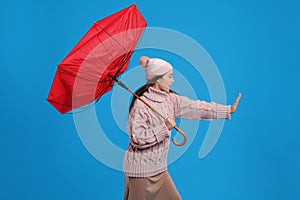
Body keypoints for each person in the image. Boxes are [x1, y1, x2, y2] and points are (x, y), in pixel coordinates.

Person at [123, 56, 242, 200]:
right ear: (158, 79)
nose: (172, 80)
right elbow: (137, 138)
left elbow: (196, 107)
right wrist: (163, 127)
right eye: (170, 76)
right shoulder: (141, 104)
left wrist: (227, 110)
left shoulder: (170, 99)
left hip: (159, 170)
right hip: (140, 173)